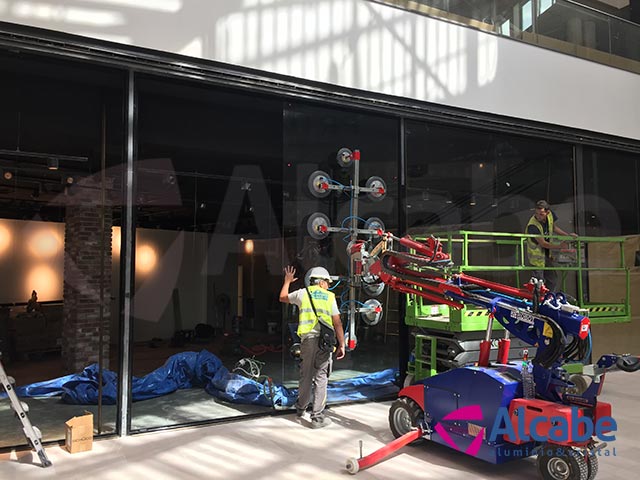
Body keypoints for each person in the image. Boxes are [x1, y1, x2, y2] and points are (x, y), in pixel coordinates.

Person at [279, 265, 345, 428]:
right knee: (321, 377)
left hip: (307, 340)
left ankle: (301, 409)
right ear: (322, 282)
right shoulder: (330, 297)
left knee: (306, 375)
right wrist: (342, 344)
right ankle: (317, 418)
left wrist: (287, 281)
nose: (328, 286)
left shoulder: (303, 293)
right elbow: (337, 322)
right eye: (328, 282)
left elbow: (282, 297)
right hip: (325, 342)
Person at [525, 200, 577, 291]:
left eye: (541, 214)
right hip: (537, 258)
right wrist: (560, 246)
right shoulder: (532, 226)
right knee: (537, 283)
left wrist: (568, 236)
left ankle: (548, 298)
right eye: (536, 213)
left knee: (552, 280)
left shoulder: (550, 215)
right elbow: (543, 243)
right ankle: (538, 302)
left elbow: (553, 227)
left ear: (547, 212)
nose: (538, 216)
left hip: (546, 255)